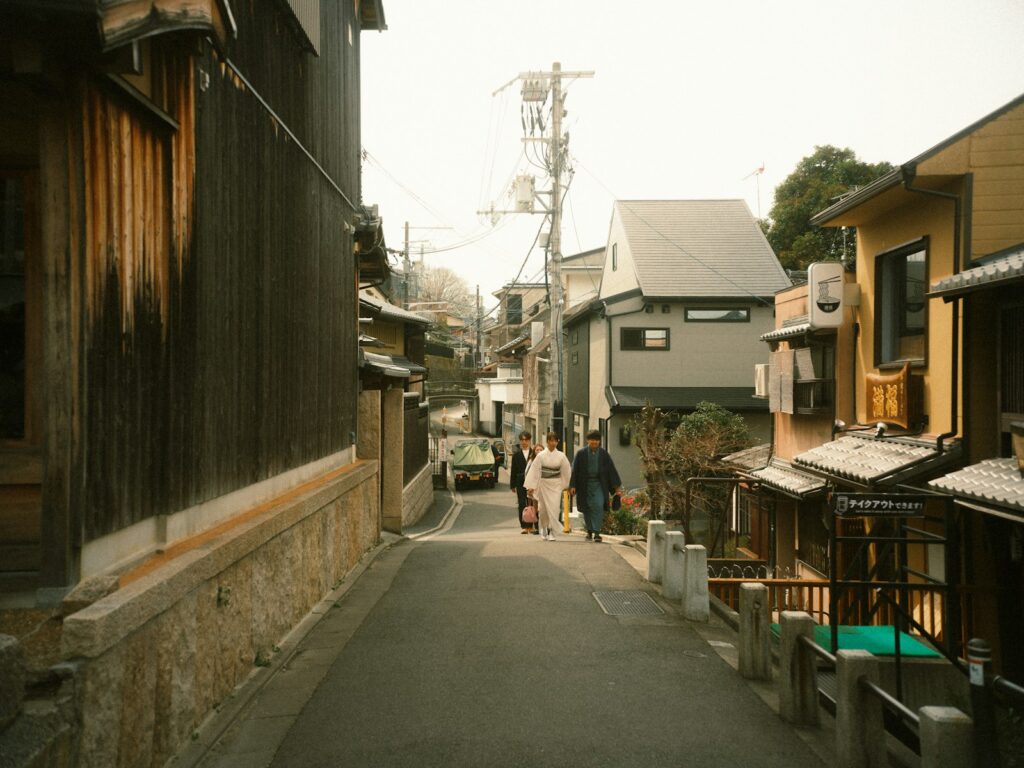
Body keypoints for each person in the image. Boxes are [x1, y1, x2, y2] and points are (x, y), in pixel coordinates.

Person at [570, 429, 622, 543]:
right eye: (591, 439)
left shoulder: (604, 454)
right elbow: (574, 470)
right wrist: (573, 485)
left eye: (596, 440)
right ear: (587, 440)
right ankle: (589, 531)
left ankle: (597, 532)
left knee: (598, 505)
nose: (594, 442)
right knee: (587, 507)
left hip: (599, 484)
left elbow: (611, 470)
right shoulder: (581, 453)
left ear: (599, 441)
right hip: (584, 484)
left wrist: (617, 487)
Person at [524, 432, 571, 541]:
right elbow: (535, 471)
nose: (553, 443)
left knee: (554, 509)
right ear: (547, 442)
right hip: (543, 484)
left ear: (557, 442)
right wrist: (531, 486)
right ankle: (544, 528)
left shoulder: (561, 456)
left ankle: (553, 532)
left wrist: (566, 485)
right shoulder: (540, 455)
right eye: (550, 440)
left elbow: (566, 471)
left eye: (555, 440)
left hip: (556, 485)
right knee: (544, 509)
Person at [509, 431, 536, 534]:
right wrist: (513, 485)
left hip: (532, 482)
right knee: (521, 504)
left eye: (526, 440)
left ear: (529, 441)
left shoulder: (534, 453)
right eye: (522, 440)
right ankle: (524, 526)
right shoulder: (516, 455)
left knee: (532, 503)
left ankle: (532, 525)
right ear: (520, 441)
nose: (524, 442)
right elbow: (513, 471)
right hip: (520, 482)